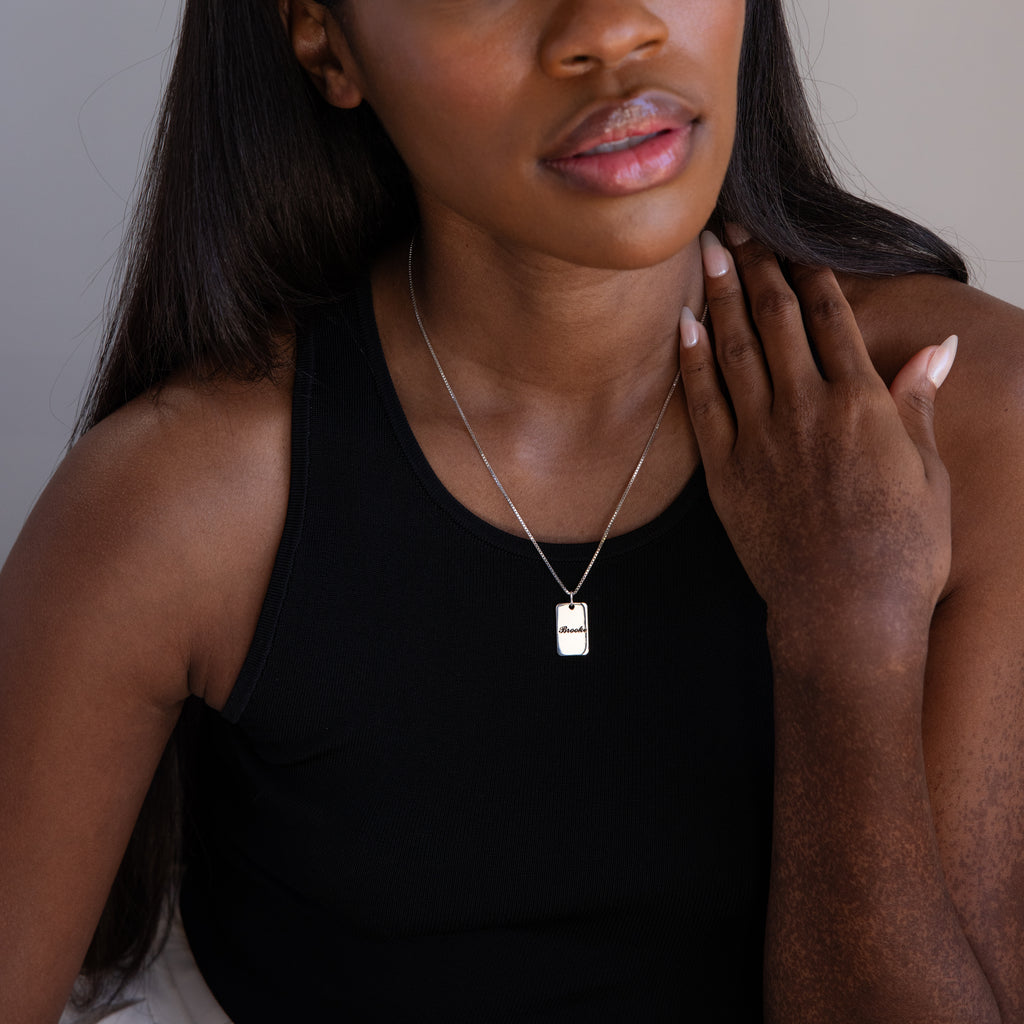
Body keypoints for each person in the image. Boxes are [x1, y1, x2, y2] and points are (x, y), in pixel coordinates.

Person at [1, 0, 1022, 1020]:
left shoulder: (967, 415)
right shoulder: (182, 512)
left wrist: (854, 637)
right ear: (325, 40)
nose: (613, 28)